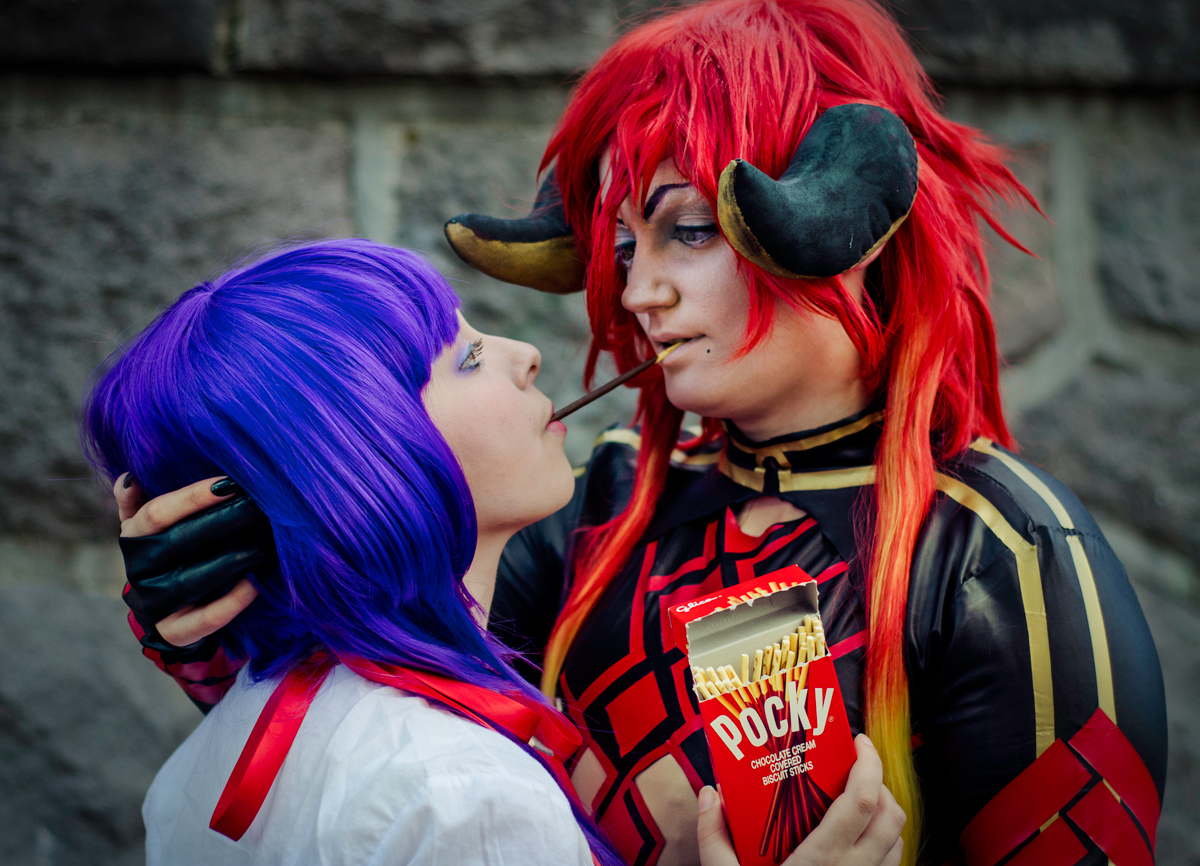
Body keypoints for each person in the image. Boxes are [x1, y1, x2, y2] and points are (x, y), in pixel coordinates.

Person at [111, 1, 1167, 864]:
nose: (637, 291)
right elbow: (368, 751)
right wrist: (223, 613)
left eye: (689, 229)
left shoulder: (997, 551)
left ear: (846, 224)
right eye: (622, 244)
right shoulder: (592, 507)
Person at [94, 239, 905, 866]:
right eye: (470, 357)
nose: (525, 352)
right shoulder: (463, 798)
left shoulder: (196, 773)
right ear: (366, 461)